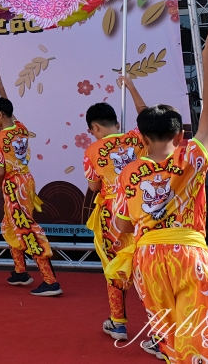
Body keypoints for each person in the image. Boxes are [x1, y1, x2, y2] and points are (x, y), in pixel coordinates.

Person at [110, 28, 208, 364]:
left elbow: (121, 225)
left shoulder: (129, 173)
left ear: (142, 137)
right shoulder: (190, 156)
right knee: (203, 340)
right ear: (179, 133)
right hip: (189, 256)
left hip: (148, 260)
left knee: (169, 339)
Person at [82, 77, 147, 342]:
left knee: (115, 267)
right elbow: (146, 117)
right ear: (117, 123)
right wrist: (131, 88)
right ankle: (161, 327)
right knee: (147, 267)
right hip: (142, 211)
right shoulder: (136, 138)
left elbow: (94, 186)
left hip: (113, 216)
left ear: (95, 127)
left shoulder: (92, 150)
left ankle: (118, 322)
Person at [0, 74, 61, 296]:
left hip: (12, 185)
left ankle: (50, 280)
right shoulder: (20, 128)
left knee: (24, 227)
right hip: (26, 182)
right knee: (11, 225)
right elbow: (10, 110)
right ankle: (20, 271)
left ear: (0, 115)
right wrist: (1, 87)